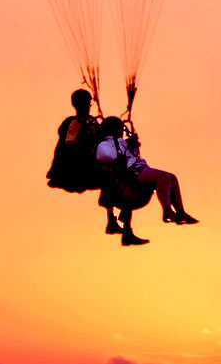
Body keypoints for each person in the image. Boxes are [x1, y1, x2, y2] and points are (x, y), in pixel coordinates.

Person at [95, 116, 196, 246]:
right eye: (120, 129)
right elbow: (108, 156)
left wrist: (131, 146)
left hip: (136, 171)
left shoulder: (119, 142)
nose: (122, 132)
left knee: (172, 178)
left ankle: (180, 212)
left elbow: (129, 156)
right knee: (163, 177)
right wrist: (123, 145)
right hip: (131, 175)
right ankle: (167, 212)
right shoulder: (105, 144)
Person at [45, 89, 103, 193]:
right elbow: (70, 145)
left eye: (88, 103)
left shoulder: (93, 122)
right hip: (76, 169)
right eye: (85, 103)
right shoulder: (72, 123)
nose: (87, 106)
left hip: (89, 168)